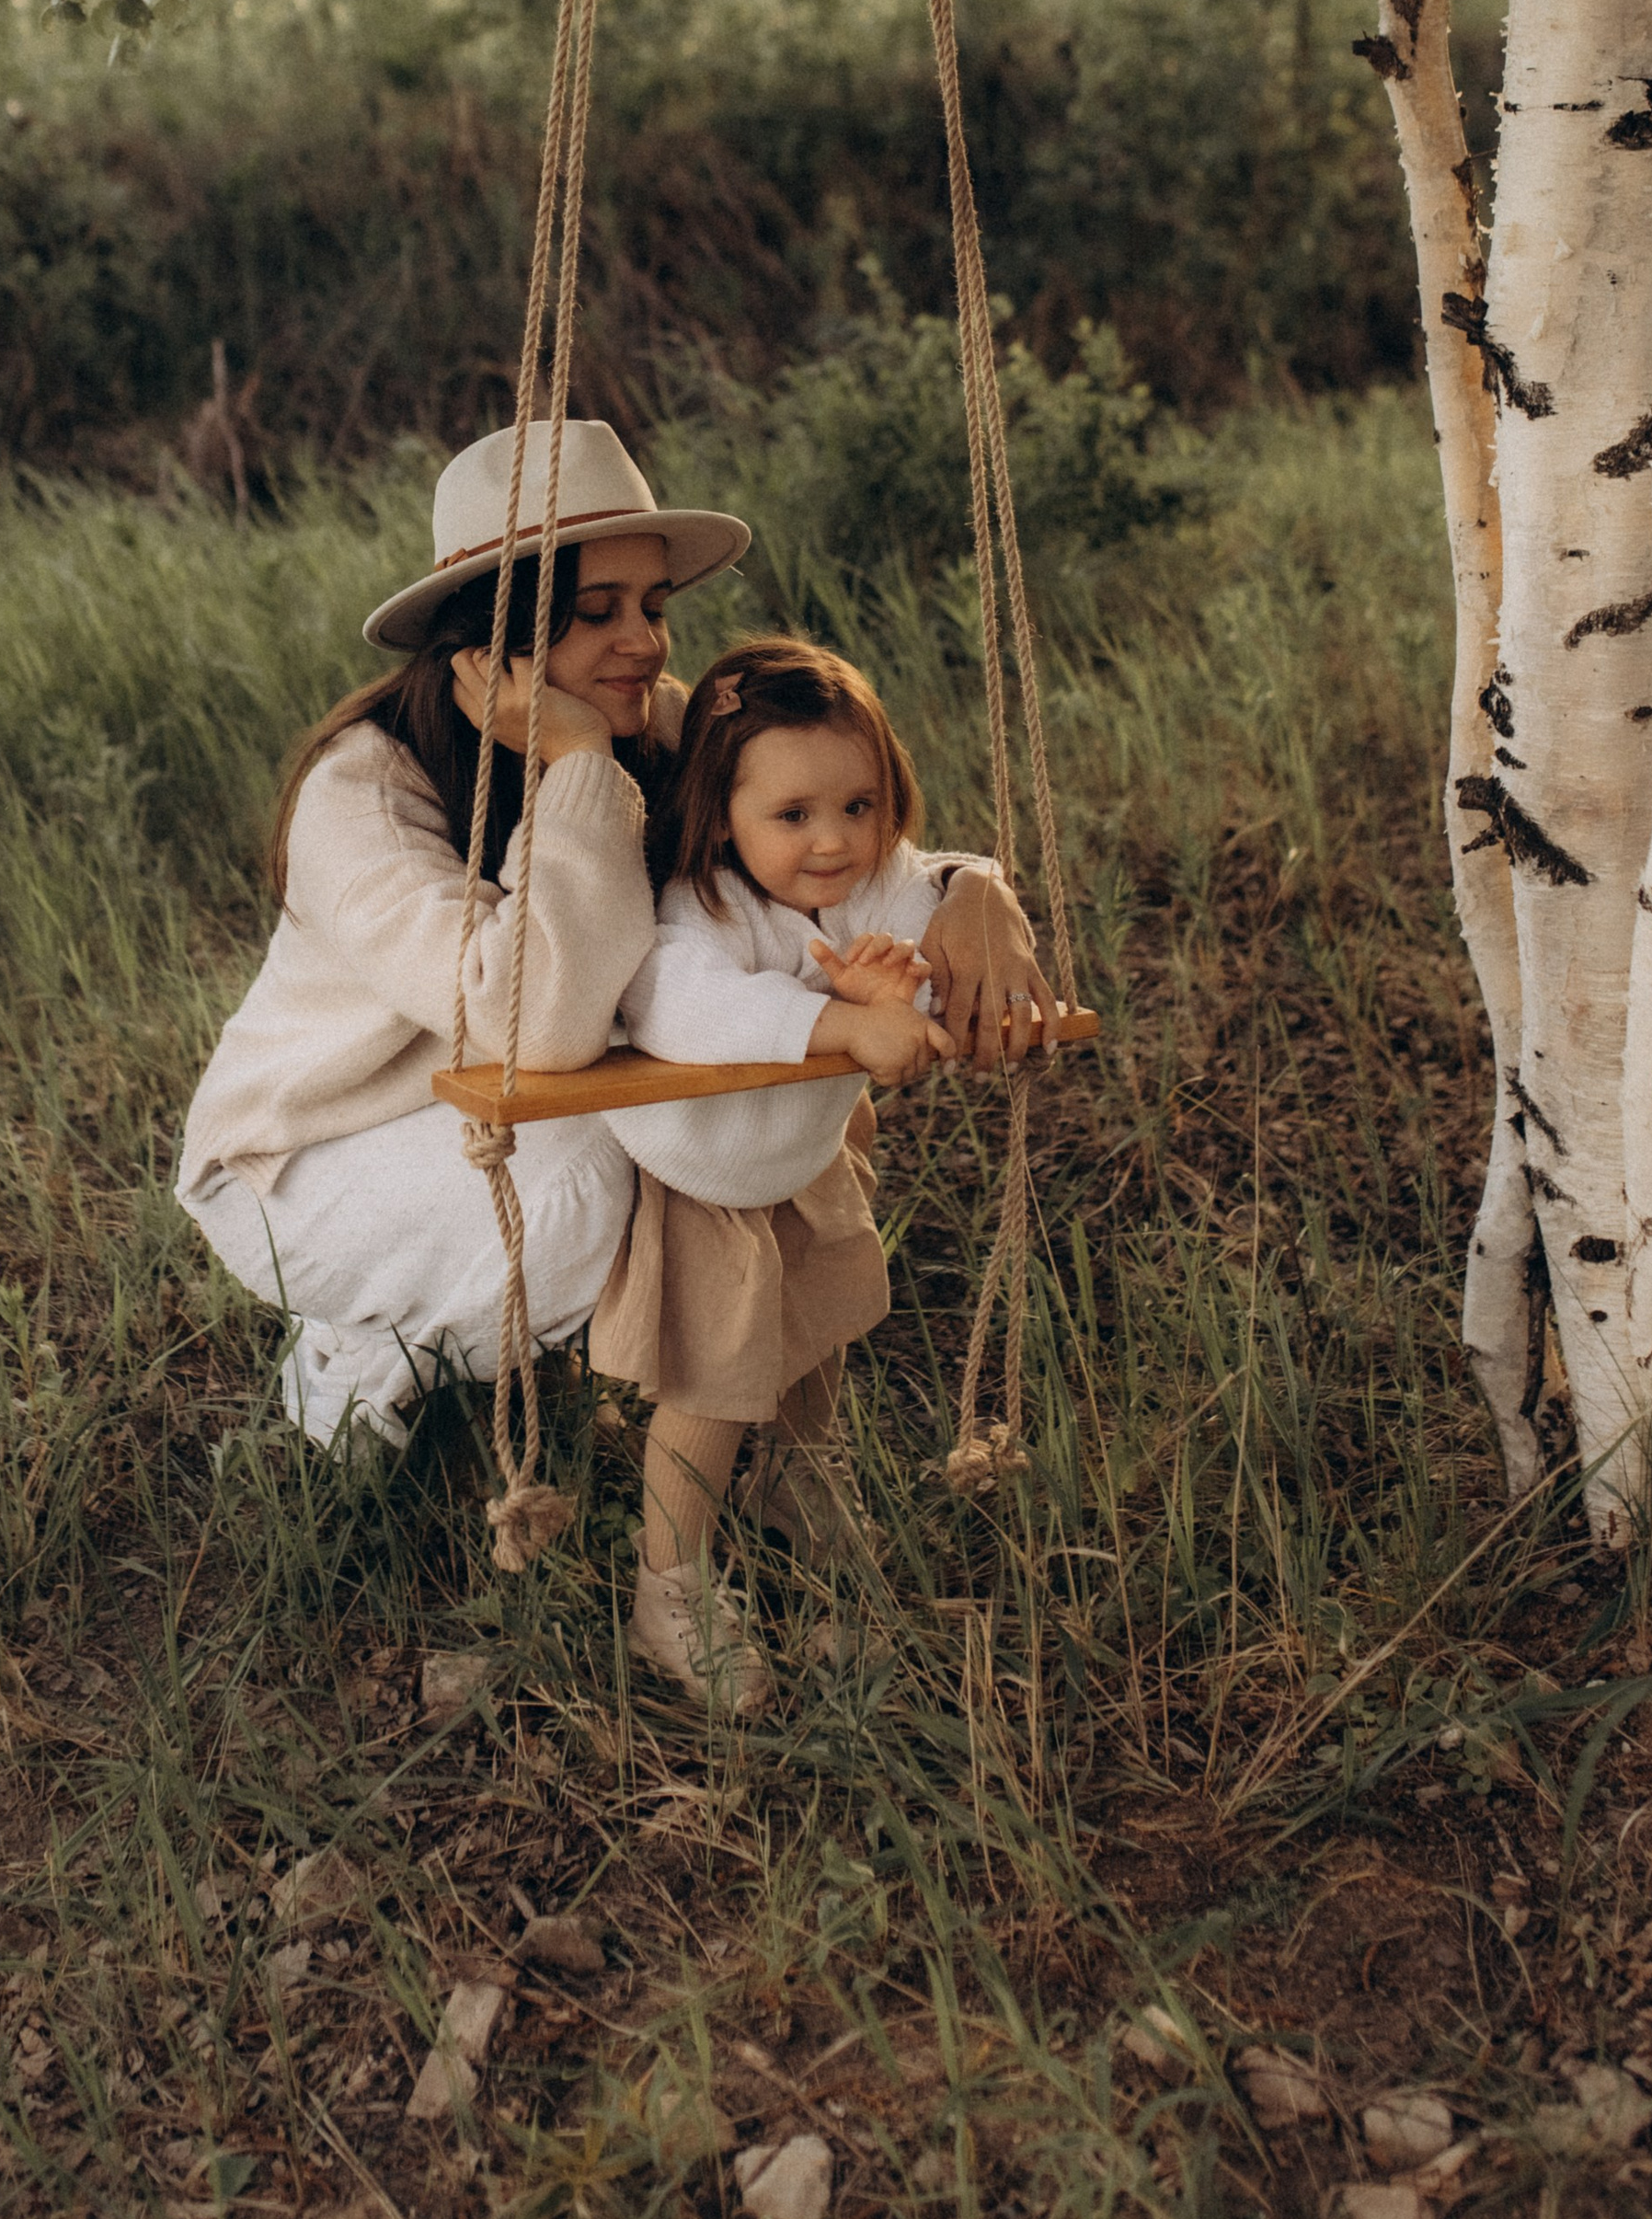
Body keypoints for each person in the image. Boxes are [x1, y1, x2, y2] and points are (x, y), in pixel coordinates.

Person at [175, 419, 1060, 1696]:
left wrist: (980, 892)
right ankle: (361, 1350)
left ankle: (774, 1456)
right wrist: (580, 769)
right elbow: (532, 1030)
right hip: (307, 1168)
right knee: (628, 1163)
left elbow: (810, 853)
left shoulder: (656, 720)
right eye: (598, 612)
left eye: (652, 602)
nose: (646, 641)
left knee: (747, 1103)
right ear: (491, 644)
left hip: (510, 1114)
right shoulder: (364, 795)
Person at [594, 634, 1042, 1708]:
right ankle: (672, 1581)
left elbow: (932, 906)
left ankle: (798, 1474)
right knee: (716, 1379)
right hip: (705, 1161)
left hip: (798, 1148)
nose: (835, 842)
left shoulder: (872, 876)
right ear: (722, 813)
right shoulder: (698, 906)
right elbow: (682, 1006)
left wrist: (919, 987)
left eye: (860, 803)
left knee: (822, 1320)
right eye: (792, 817)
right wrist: (846, 1020)